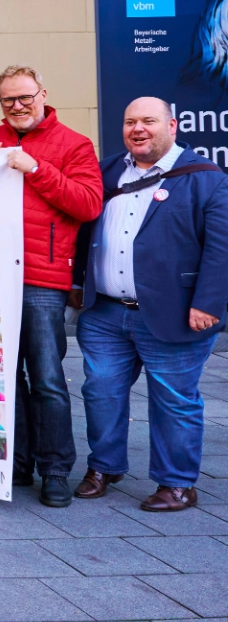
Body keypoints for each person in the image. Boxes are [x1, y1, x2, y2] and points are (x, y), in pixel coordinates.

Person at [72, 97, 228, 512]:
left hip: (176, 314)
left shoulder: (206, 178)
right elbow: (82, 228)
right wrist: (76, 283)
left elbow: (221, 249)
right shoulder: (106, 171)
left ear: (172, 125)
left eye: (148, 121)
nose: (138, 129)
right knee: (100, 391)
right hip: (105, 312)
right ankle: (104, 467)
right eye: (130, 122)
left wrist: (208, 303)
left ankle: (177, 483)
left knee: (173, 399)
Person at [0, 65, 102, 507]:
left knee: (46, 378)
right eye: (8, 99)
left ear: (43, 94)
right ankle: (17, 463)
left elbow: (87, 204)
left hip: (42, 279)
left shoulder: (74, 144)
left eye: (25, 97)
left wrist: (37, 168)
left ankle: (56, 470)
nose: (17, 106)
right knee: (2, 377)